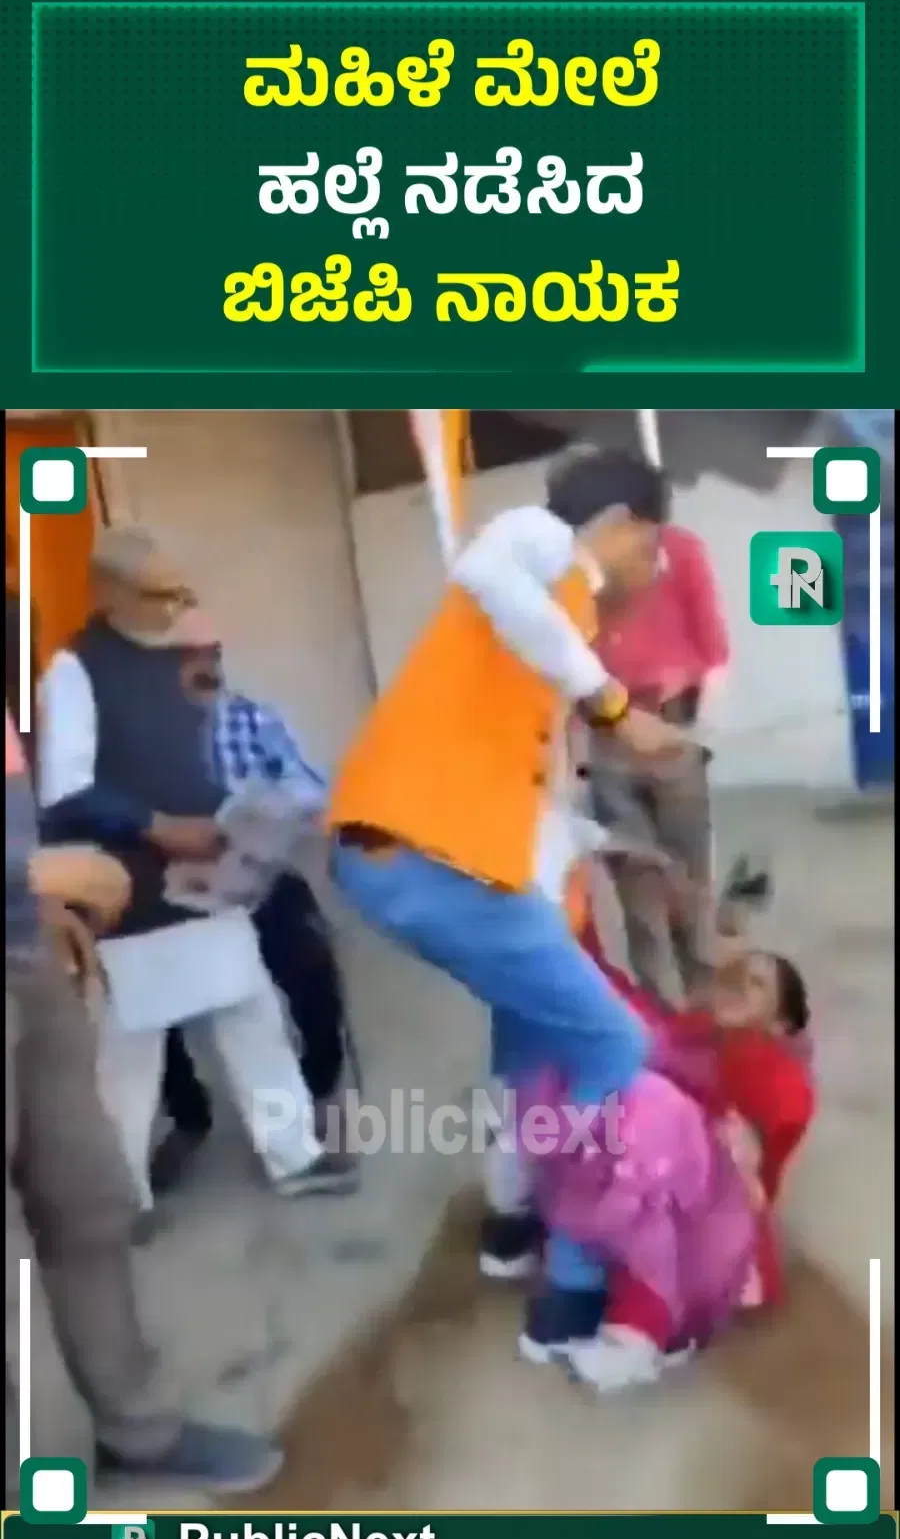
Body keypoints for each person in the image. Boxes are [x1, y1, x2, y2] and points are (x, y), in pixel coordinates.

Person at [326, 444, 698, 1302]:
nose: (651, 570)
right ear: (620, 525)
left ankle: (510, 1222)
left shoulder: (554, 620)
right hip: (422, 857)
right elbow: (488, 576)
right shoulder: (536, 540)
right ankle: (573, 1281)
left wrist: (607, 844)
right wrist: (615, 708)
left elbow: (528, 787)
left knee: (529, 1036)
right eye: (650, 549)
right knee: (614, 1045)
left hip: (434, 859)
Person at [6, 706, 284, 1498]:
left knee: (88, 1199)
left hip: (22, 953)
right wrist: (37, 874)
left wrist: (33, 906)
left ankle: (139, 1432)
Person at [36, 526, 346, 1206]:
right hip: (134, 889)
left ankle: (294, 1156)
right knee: (131, 1053)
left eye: (181, 592)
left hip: (214, 874)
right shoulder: (74, 672)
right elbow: (66, 790)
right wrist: (158, 826)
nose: (176, 607)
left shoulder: (183, 654)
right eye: (159, 596)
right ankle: (123, 1198)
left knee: (250, 1010)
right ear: (109, 595)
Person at [514, 883, 814, 1389]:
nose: (737, 982)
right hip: (652, 1195)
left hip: (704, 1221)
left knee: (646, 1124)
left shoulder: (774, 1074)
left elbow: (759, 1133)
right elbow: (629, 1015)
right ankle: (579, 1284)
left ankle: (638, 1334)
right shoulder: (695, 1034)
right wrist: (578, 930)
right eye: (734, 974)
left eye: (757, 983)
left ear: (781, 1024)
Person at [154, 610, 358, 1193]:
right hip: (172, 887)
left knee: (312, 966)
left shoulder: (251, 716)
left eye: (210, 653)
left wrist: (259, 813)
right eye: (186, 657)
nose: (203, 666)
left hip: (256, 873)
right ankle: (188, 1116)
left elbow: (309, 789)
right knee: (147, 1007)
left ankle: (314, 1092)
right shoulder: (137, 737)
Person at [589, 519, 729, 1002]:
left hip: (671, 725)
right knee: (637, 885)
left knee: (689, 875)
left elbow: (714, 646)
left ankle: (705, 1001)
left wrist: (700, 728)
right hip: (606, 734)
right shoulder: (582, 562)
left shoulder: (680, 550)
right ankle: (659, 1011)